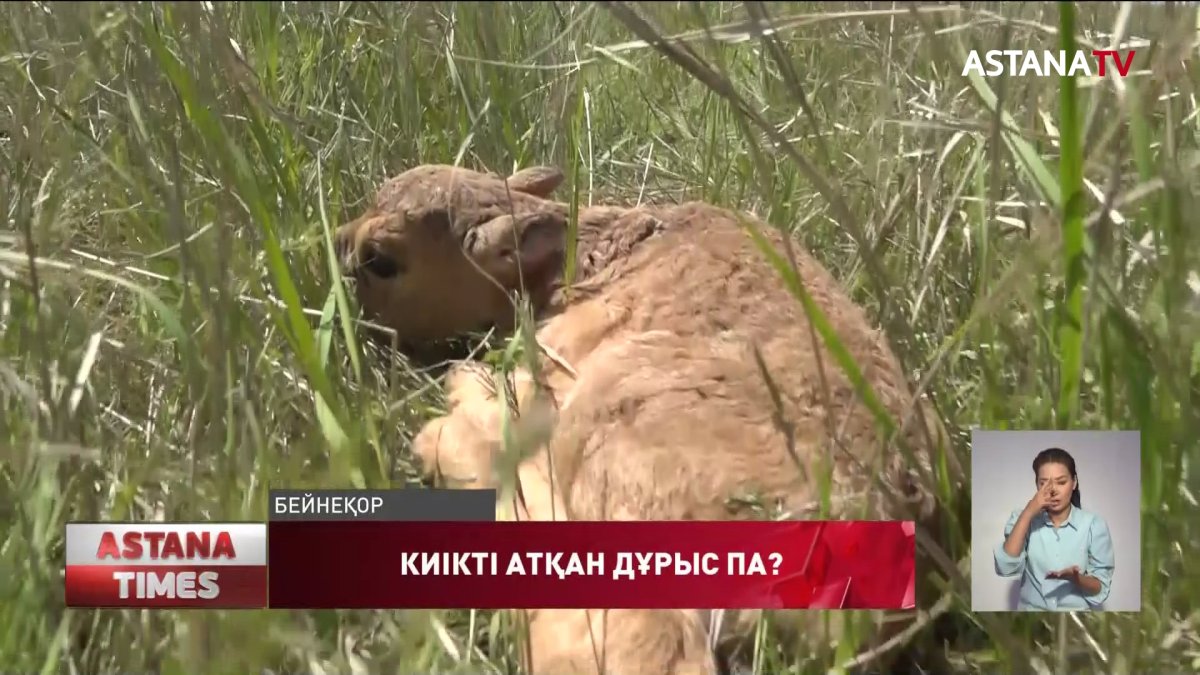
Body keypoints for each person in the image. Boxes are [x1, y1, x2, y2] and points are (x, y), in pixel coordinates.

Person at [993, 447, 1115, 611]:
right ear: (1037, 485)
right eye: (1043, 483)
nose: (1052, 491)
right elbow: (1005, 567)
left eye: (1061, 482)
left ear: (1074, 482)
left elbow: (1100, 586)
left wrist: (1076, 579)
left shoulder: (1093, 524)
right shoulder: (1022, 519)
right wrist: (1029, 512)